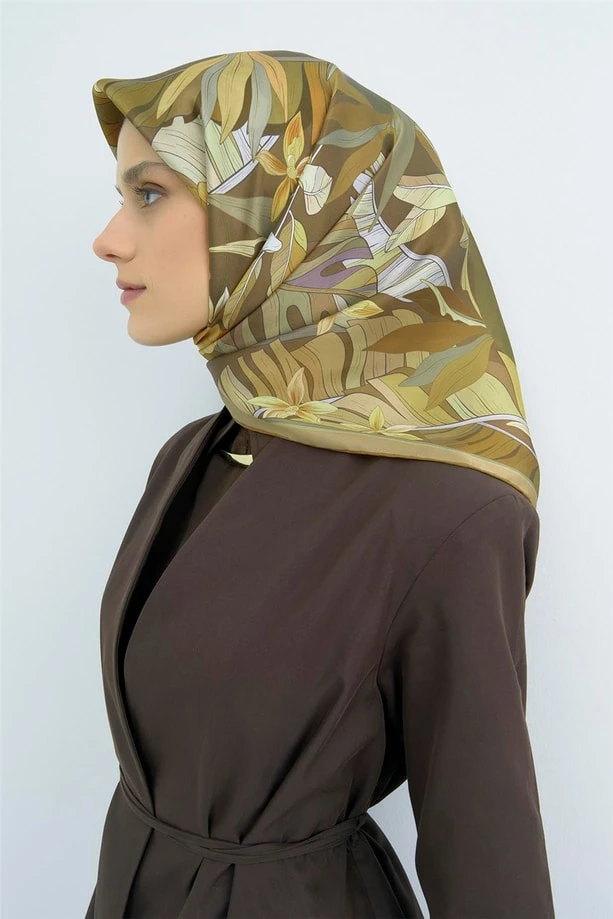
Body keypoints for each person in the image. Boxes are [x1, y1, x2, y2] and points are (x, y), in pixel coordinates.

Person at [86, 49, 555, 918]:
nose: (109, 237)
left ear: (284, 213)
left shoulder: (449, 511)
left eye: (148, 193)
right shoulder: (196, 453)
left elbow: (487, 861)